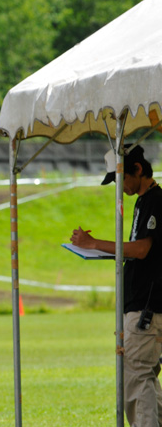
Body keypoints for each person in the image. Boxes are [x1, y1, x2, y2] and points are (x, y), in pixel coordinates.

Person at [69, 144, 162, 427]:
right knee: (142, 379)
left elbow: (142, 249)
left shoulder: (156, 200)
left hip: (147, 307)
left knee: (136, 378)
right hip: (143, 306)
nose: (119, 188)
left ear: (137, 169)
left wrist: (95, 244)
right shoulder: (143, 201)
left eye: (121, 180)